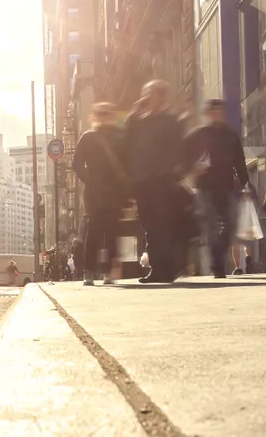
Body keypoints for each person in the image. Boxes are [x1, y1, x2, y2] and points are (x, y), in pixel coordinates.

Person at [124, 80, 186, 284]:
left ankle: (168, 268)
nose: (146, 97)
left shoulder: (170, 120)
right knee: (149, 226)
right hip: (142, 182)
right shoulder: (139, 121)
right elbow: (128, 140)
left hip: (163, 180)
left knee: (164, 225)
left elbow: (178, 149)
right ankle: (158, 269)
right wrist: (135, 111)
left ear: (160, 96)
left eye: (150, 93)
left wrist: (173, 172)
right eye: (145, 93)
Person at [183, 99, 251, 278]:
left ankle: (218, 259)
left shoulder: (231, 135)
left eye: (221, 111)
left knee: (229, 226)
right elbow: (182, 156)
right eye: (214, 111)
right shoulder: (198, 134)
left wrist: (246, 185)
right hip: (205, 188)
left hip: (226, 186)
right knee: (212, 226)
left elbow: (240, 162)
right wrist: (192, 168)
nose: (218, 114)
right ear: (207, 114)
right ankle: (217, 266)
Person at [72, 103, 130, 285]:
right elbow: (77, 163)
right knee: (94, 232)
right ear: (95, 116)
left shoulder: (119, 137)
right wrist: (90, 179)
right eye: (101, 114)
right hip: (95, 194)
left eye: (107, 114)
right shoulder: (88, 137)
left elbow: (127, 163)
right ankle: (89, 272)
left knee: (113, 233)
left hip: (114, 193)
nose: (104, 117)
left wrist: (126, 191)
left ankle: (108, 273)